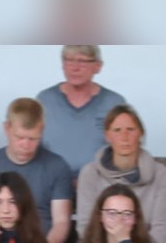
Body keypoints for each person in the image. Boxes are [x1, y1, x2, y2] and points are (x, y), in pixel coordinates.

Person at [0, 97, 72, 243]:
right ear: (6, 128)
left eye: (32, 139)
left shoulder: (57, 166)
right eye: (20, 137)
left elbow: (61, 223)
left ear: (41, 130)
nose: (26, 145)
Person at [75, 104, 166, 243]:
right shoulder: (90, 173)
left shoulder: (160, 174)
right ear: (107, 135)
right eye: (117, 130)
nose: (124, 136)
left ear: (140, 134)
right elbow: (85, 226)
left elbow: (161, 229)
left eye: (131, 129)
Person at [36, 45, 126, 177]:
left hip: (99, 184)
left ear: (98, 66)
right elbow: (33, 145)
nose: (75, 68)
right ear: (62, 65)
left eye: (82, 61)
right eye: (69, 60)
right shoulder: (45, 100)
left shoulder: (114, 102)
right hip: (51, 184)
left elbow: (123, 150)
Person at [74, 184, 161, 243]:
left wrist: (123, 241)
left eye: (127, 214)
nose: (119, 220)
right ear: (100, 216)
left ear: (136, 218)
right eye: (111, 213)